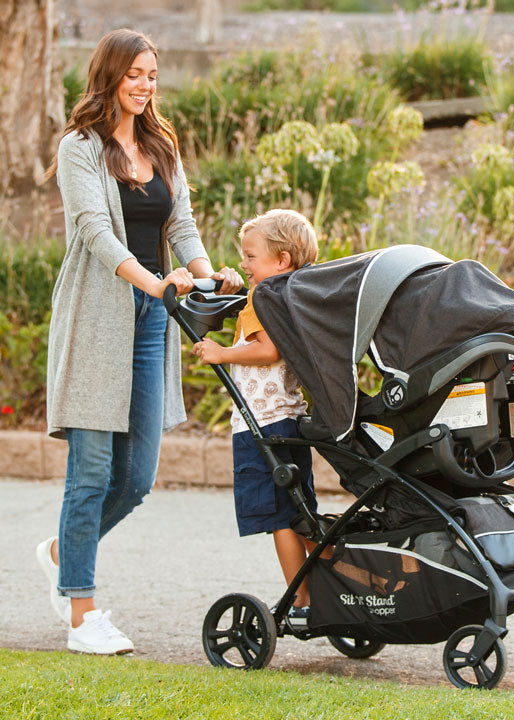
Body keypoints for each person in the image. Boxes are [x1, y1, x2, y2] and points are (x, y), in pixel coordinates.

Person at [38, 28, 242, 655]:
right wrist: (158, 285)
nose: (145, 85)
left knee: (138, 476)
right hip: (99, 315)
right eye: (134, 74)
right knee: (93, 472)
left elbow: (183, 227)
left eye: (152, 74)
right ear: (110, 75)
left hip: (153, 320)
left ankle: (60, 553)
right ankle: (82, 614)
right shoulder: (81, 147)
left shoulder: (161, 145)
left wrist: (213, 280)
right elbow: (96, 233)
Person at [192, 209, 319, 631]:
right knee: (304, 513)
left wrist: (221, 353)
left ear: (281, 260)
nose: (244, 265)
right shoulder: (296, 293)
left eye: (250, 257)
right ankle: (341, 585)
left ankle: (301, 603)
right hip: (291, 421)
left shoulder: (261, 299)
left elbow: (267, 351)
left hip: (260, 425)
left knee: (279, 518)